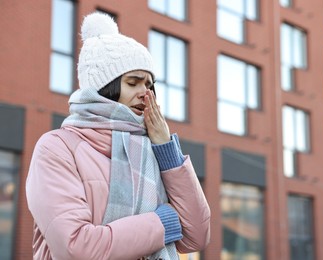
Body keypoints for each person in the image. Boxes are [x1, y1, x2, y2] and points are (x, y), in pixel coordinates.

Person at [26, 12, 210, 260]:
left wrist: (166, 150)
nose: (145, 94)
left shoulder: (152, 149)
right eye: (133, 82)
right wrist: (162, 223)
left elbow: (196, 235)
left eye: (149, 85)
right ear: (105, 88)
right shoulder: (57, 148)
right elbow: (77, 248)